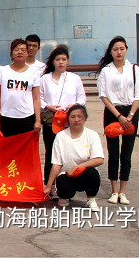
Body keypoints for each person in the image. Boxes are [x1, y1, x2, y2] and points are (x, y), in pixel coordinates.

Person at [97, 36, 139, 205]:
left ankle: (123, 192)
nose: (119, 52)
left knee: (126, 154)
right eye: (115, 49)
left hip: (131, 113)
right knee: (113, 153)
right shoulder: (106, 71)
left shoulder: (134, 69)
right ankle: (114, 191)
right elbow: (103, 96)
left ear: (126, 49)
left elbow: (138, 95)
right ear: (111, 51)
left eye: (122, 49)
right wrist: (119, 116)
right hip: (113, 113)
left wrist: (130, 116)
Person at [38, 45, 87, 179]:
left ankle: (68, 180)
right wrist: (48, 106)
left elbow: (82, 98)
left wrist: (74, 106)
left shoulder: (75, 78)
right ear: (53, 61)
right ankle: (50, 183)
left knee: (69, 152)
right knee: (51, 152)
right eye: (58, 59)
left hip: (70, 121)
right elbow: (38, 98)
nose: (61, 62)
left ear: (68, 61)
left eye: (64, 59)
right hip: (51, 121)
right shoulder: (44, 79)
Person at [43, 105, 103, 211]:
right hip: (66, 174)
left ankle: (91, 199)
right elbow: (56, 164)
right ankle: (64, 197)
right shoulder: (60, 136)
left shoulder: (92, 135)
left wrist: (76, 168)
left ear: (85, 118)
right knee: (64, 188)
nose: (76, 120)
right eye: (73, 117)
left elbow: (99, 159)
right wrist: (48, 186)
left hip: (84, 173)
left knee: (92, 173)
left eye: (80, 116)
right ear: (68, 119)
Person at [0, 39, 41, 137]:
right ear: (11, 54)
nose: (20, 52)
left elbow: (36, 98)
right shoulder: (2, 70)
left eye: (23, 50)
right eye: (16, 50)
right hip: (6, 116)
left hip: (27, 116)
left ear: (27, 53)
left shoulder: (34, 73)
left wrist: (38, 121)